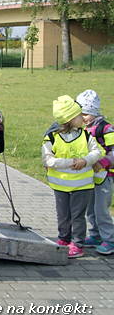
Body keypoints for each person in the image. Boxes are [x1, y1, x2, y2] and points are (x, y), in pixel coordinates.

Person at [43, 95, 102, 259]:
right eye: (78, 115)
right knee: (63, 215)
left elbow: (97, 152)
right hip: (60, 186)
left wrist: (85, 161)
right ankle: (63, 239)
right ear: (69, 119)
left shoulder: (86, 136)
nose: (82, 118)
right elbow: (48, 160)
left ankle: (77, 244)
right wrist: (70, 162)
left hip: (82, 185)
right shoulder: (52, 137)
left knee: (77, 216)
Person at [75, 90, 114, 255]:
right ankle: (96, 235)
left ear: (94, 112)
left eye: (86, 114)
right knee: (90, 208)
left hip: (105, 176)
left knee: (101, 209)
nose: (83, 117)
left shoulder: (105, 129)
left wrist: (104, 162)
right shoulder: (83, 129)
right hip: (89, 177)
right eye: (80, 114)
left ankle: (110, 240)